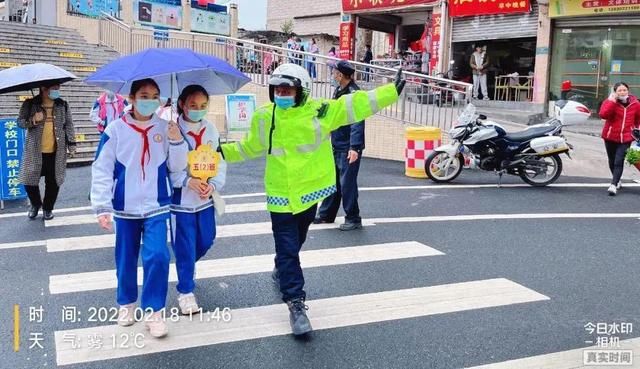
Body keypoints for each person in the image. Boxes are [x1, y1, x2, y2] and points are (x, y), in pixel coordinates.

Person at [219, 63, 404, 336]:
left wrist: (390, 92)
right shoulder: (263, 117)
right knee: (287, 246)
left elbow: (355, 105)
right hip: (280, 194)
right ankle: (296, 303)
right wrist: (219, 151)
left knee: (297, 240)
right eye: (277, 90)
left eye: (287, 89)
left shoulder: (320, 111)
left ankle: (281, 267)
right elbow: (249, 147)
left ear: (302, 91)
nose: (281, 94)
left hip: (310, 192)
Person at [91, 78, 188, 338]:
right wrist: (102, 206)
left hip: (157, 204)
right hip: (124, 207)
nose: (150, 101)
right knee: (126, 259)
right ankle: (126, 303)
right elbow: (102, 169)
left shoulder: (165, 127)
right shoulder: (115, 130)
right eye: (144, 96)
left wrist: (177, 141)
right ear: (132, 98)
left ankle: (154, 310)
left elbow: (177, 167)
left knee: (158, 256)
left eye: (155, 96)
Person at [170, 85, 227, 314]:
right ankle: (185, 291)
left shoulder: (211, 130)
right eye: (193, 105)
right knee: (184, 246)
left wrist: (213, 184)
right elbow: (168, 167)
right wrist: (185, 181)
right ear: (182, 104)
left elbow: (219, 161)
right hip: (181, 200)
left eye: (203, 106)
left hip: (205, 199)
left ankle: (187, 265)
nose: (197, 110)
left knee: (206, 239)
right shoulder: (172, 130)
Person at [315, 60, 364, 230]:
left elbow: (358, 121)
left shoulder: (354, 94)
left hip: (348, 147)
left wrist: (355, 147)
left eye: (334, 72)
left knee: (347, 184)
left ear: (341, 75)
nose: (332, 75)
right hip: (337, 143)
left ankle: (353, 218)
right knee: (332, 181)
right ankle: (326, 214)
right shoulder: (339, 90)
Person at [18, 82, 76, 220]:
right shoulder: (30, 104)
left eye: (58, 87)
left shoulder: (63, 105)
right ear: (44, 88)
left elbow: (68, 125)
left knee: (53, 182)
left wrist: (72, 144)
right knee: (29, 181)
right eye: (54, 88)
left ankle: (48, 208)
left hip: (56, 151)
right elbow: (20, 122)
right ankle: (35, 204)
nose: (57, 90)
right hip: (35, 151)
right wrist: (33, 120)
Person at [599, 82, 640, 196]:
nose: (622, 92)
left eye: (624, 90)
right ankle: (617, 180)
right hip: (610, 136)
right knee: (612, 160)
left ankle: (613, 185)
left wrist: (636, 129)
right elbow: (603, 114)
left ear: (628, 91)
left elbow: (638, 118)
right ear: (615, 92)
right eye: (620, 91)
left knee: (619, 160)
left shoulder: (635, 103)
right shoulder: (610, 102)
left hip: (626, 137)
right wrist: (612, 101)